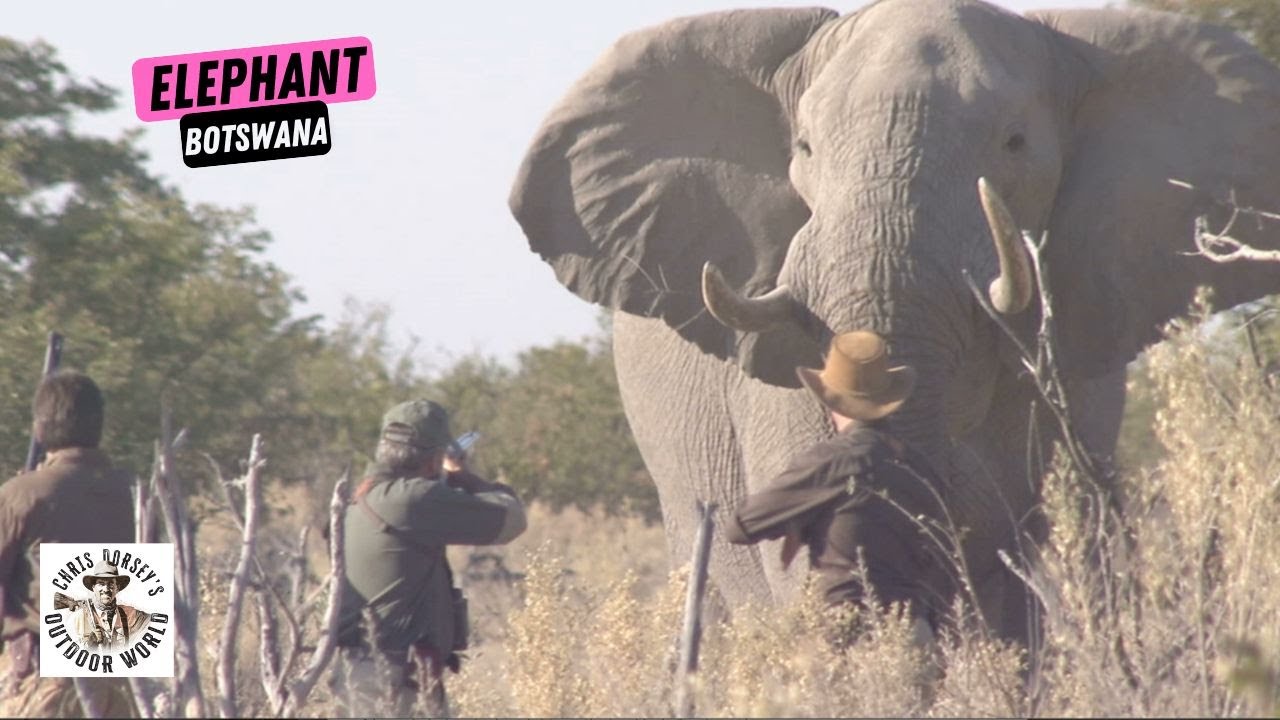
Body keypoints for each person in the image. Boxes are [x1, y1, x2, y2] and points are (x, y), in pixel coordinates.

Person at [726, 331, 954, 637]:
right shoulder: (920, 466)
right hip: (915, 631)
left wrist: (798, 518)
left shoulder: (831, 461)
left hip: (847, 632)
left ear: (830, 401)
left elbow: (741, 527)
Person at [335, 399, 527, 718]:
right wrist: (462, 476)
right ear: (433, 459)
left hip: (362, 672)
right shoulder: (414, 499)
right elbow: (512, 518)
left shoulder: (366, 494)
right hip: (397, 681)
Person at [0, 370, 137, 717]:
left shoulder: (22, 495)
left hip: (46, 683)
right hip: (124, 682)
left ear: (39, 427)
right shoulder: (135, 492)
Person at [64, 561, 152, 651]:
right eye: (101, 584)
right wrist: (90, 645)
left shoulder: (128, 614)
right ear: (93, 587)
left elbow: (155, 620)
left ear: (117, 588)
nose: (106, 589)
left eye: (111, 584)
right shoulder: (78, 618)